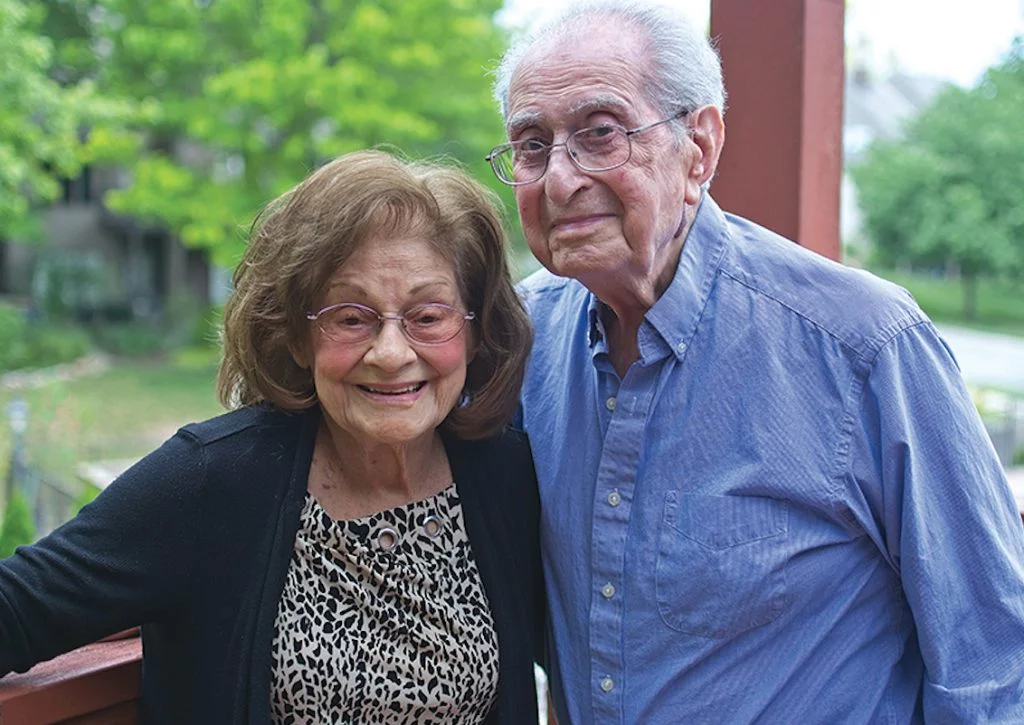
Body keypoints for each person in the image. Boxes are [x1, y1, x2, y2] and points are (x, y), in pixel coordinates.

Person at [487, 1, 1024, 722]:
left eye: (601, 133)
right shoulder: (520, 343)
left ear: (699, 147)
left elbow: (996, 666)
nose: (559, 179)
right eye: (531, 145)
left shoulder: (863, 346)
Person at [0, 150, 543, 724]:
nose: (390, 353)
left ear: (475, 332)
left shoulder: (504, 475)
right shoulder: (210, 480)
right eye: (350, 317)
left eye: (428, 316)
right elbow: (17, 608)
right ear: (297, 339)